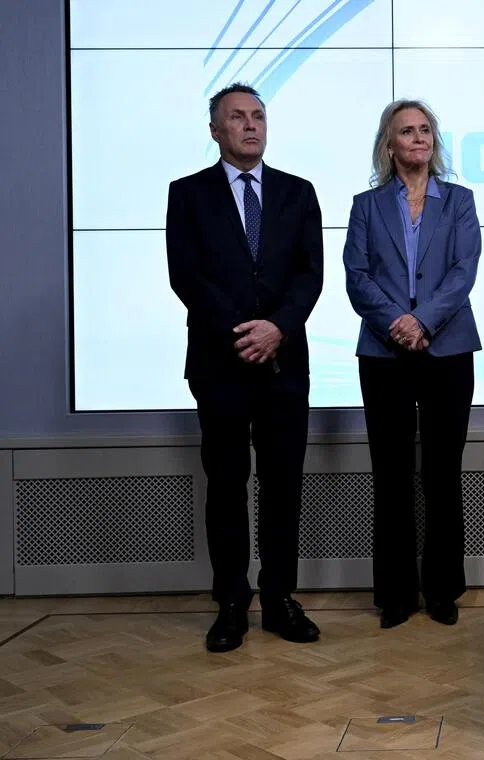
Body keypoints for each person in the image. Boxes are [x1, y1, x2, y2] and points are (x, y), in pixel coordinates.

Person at [166, 82, 323, 652]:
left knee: (283, 485)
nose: (251, 125)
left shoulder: (298, 193)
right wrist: (245, 331)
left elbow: (311, 275)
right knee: (227, 484)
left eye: (258, 116)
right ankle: (231, 599)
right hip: (220, 363)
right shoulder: (186, 195)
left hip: (286, 362)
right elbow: (187, 277)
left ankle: (280, 598)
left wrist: (277, 328)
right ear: (215, 130)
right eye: (237, 117)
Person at [343, 100, 482, 630]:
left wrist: (422, 321)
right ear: (390, 144)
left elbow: (463, 271)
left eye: (426, 130)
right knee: (392, 474)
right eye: (407, 131)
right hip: (384, 353)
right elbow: (357, 275)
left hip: (447, 350)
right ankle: (396, 593)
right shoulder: (366, 205)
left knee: (442, 474)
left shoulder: (460, 201)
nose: (419, 138)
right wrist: (396, 324)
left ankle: (443, 590)